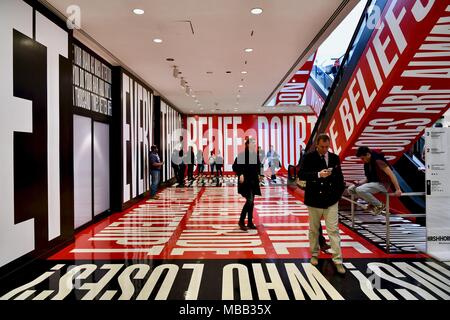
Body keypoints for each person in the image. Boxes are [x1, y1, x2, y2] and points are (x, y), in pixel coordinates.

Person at [298, 134, 346, 274]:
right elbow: (301, 175)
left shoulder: (334, 158)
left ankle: (338, 260)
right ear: (317, 145)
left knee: (333, 230)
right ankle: (314, 254)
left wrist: (337, 195)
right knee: (314, 230)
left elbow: (339, 178)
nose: (325, 149)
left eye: (327, 146)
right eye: (322, 147)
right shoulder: (308, 157)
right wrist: (318, 175)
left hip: (331, 200)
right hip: (314, 200)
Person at [350, 146, 402, 215]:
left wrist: (398, 189)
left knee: (360, 190)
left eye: (363, 158)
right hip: (373, 183)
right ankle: (372, 203)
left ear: (368, 154)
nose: (362, 160)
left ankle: (379, 205)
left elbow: (391, 174)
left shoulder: (378, 161)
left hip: (383, 184)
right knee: (351, 189)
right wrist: (359, 182)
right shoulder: (367, 162)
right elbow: (368, 178)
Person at [233, 137, 261, 231]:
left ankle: (249, 222)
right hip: (245, 183)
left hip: (253, 182)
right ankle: (241, 221)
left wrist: (259, 174)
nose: (254, 145)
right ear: (247, 144)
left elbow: (257, 167)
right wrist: (240, 174)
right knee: (249, 201)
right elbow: (235, 166)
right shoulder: (242, 155)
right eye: (252, 143)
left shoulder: (255, 155)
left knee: (251, 202)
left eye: (254, 143)